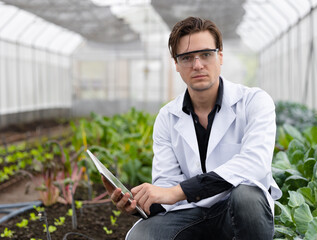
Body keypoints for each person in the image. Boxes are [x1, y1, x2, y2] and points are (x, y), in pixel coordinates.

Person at [102, 16, 282, 240]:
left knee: (246, 196)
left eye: (206, 54)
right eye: (187, 57)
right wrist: (143, 203)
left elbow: (254, 165)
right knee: (141, 236)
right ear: (176, 64)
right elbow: (166, 182)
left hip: (236, 211)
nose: (197, 65)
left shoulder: (254, 102)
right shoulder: (167, 117)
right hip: (192, 213)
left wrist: (178, 192)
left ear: (220, 56)